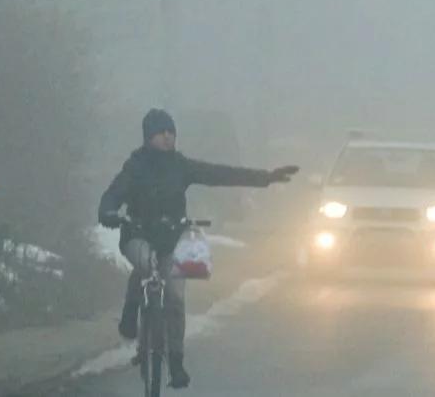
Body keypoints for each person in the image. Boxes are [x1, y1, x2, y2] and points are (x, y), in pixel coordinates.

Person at [97, 108, 297, 389]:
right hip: (138, 235)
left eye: (171, 132)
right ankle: (131, 311)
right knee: (145, 263)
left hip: (173, 237)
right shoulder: (135, 166)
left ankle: (176, 363)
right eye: (161, 132)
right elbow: (112, 195)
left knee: (176, 298)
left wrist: (265, 178)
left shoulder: (181, 165)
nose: (168, 137)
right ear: (149, 136)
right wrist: (107, 212)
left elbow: (220, 174)